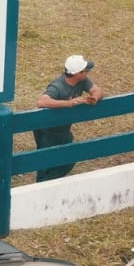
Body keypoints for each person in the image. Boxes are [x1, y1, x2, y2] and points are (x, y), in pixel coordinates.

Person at [33, 54, 103, 182]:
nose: (88, 72)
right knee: (46, 161)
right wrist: (69, 103)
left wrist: (94, 98)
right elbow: (42, 102)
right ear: (77, 73)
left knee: (69, 158)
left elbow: (97, 90)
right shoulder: (57, 86)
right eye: (85, 70)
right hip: (46, 130)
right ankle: (43, 184)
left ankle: (48, 183)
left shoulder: (83, 81)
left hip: (63, 129)